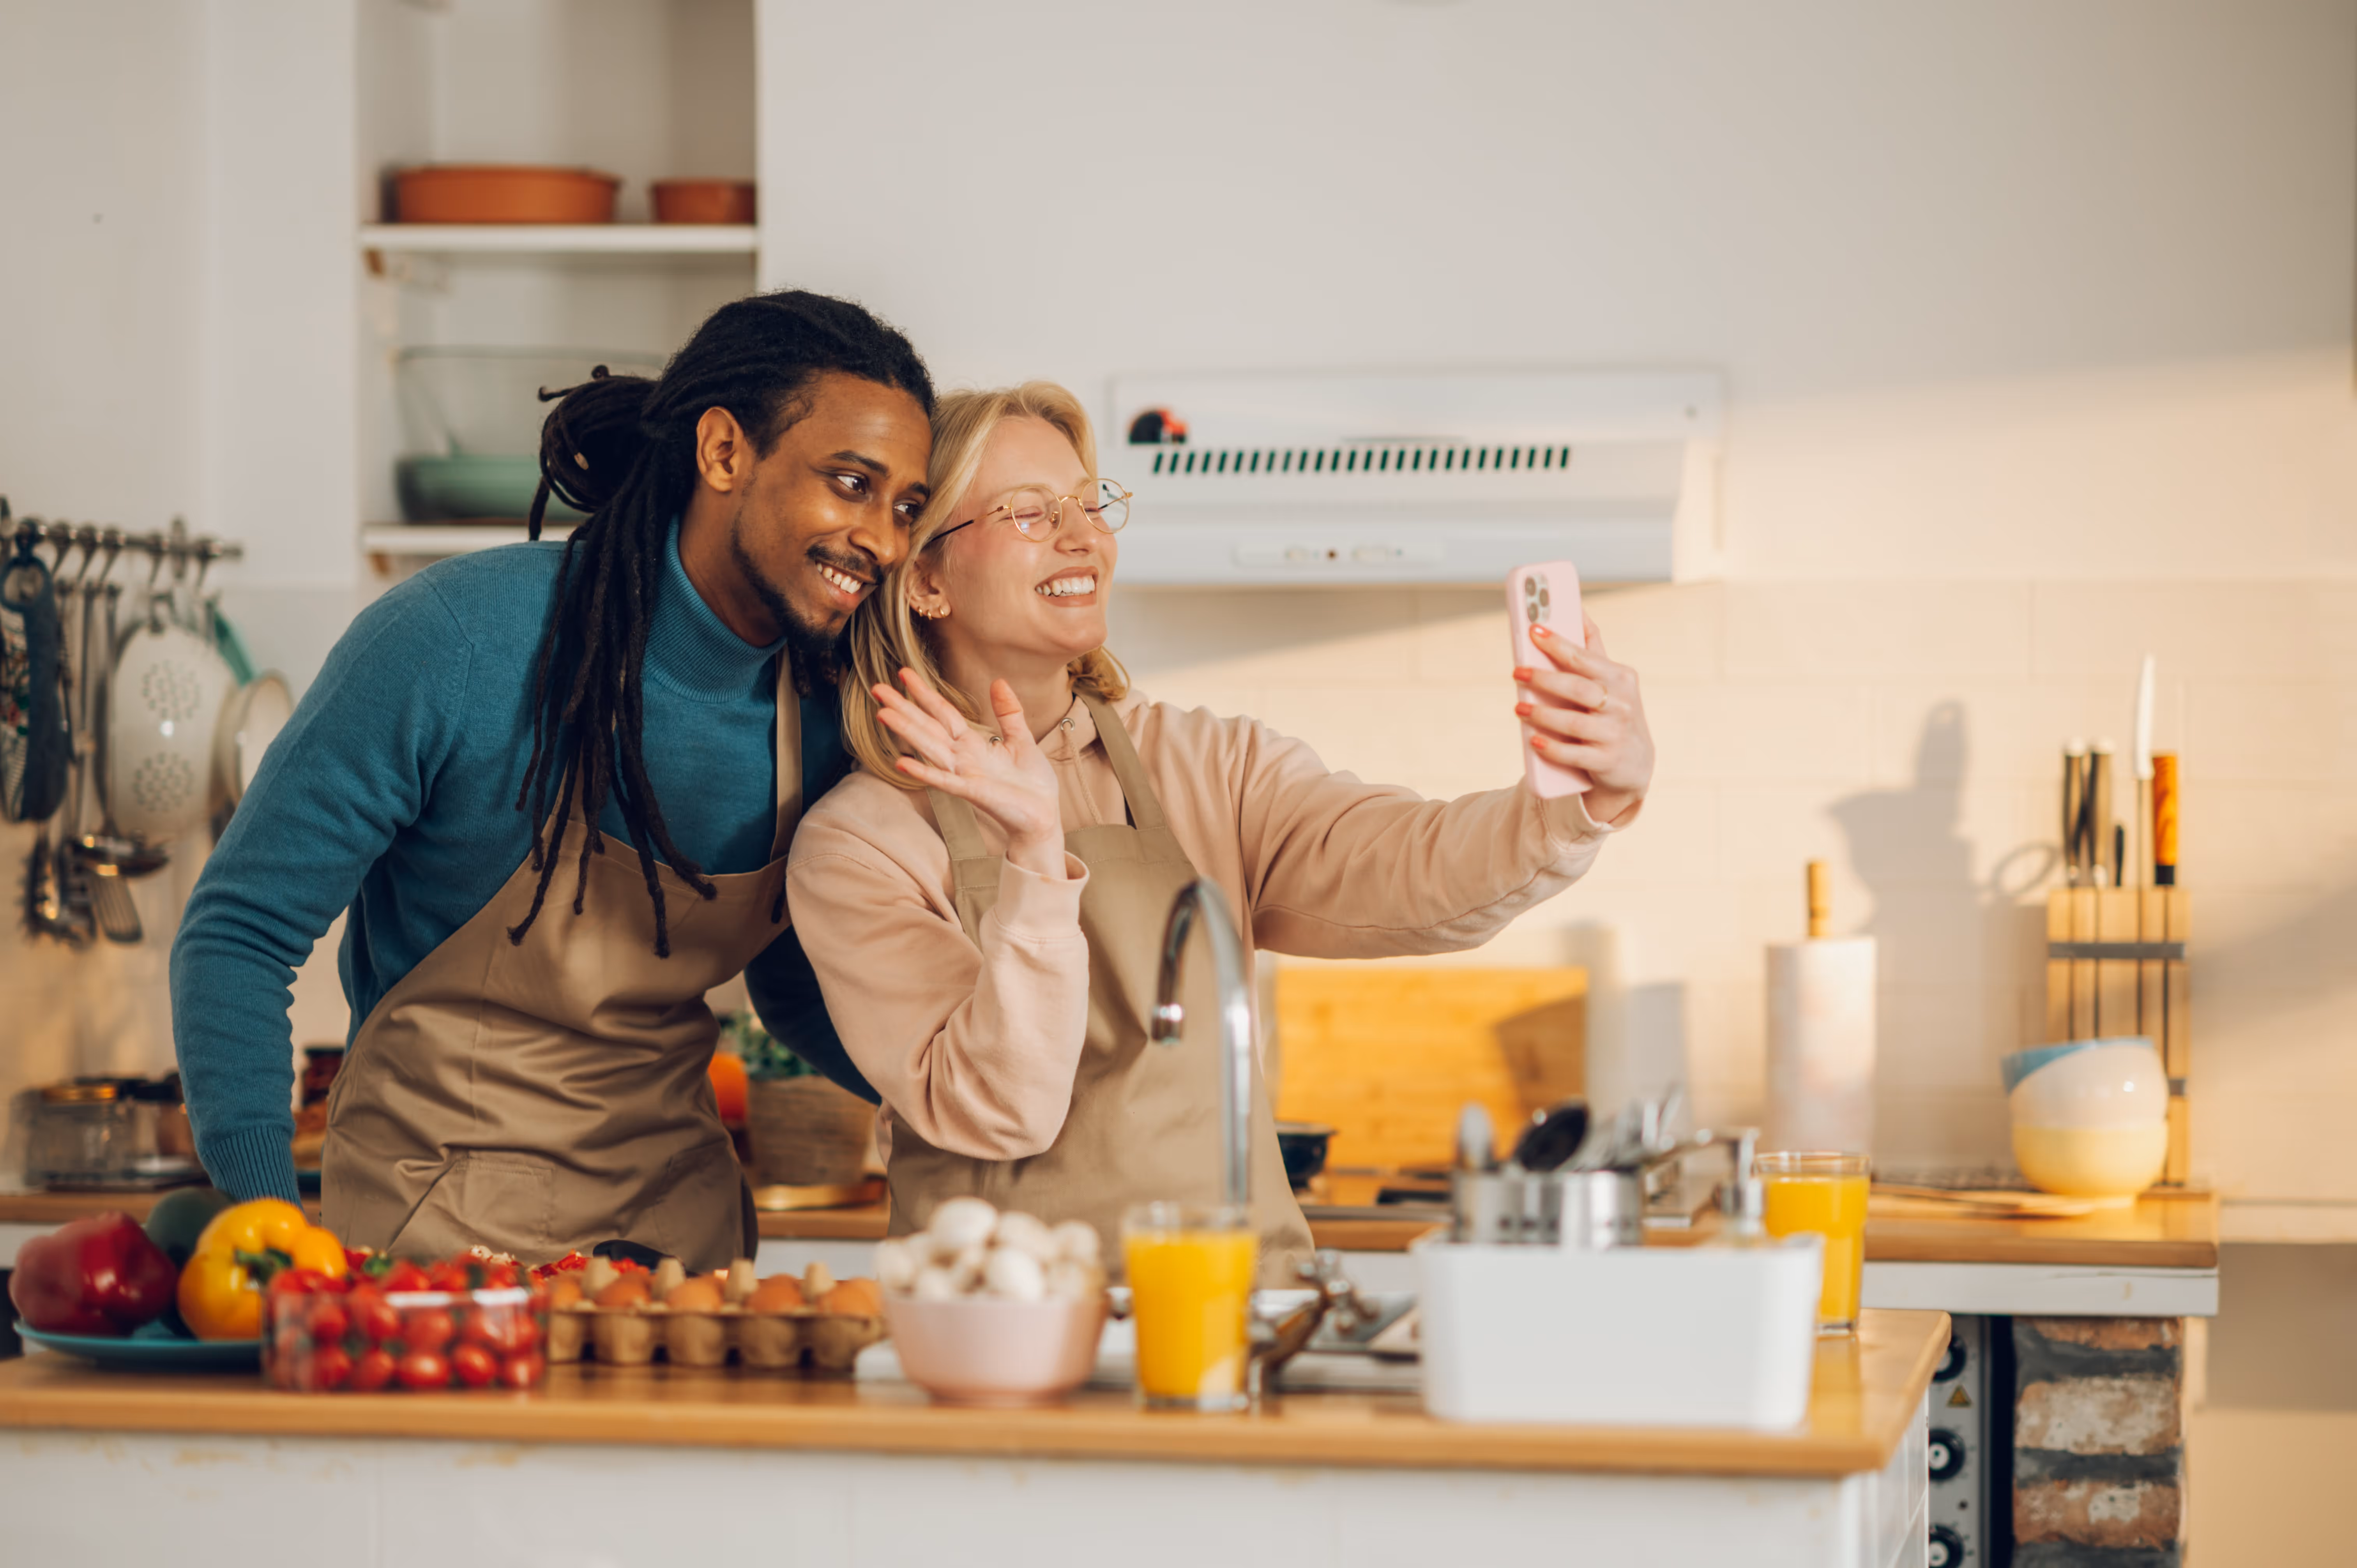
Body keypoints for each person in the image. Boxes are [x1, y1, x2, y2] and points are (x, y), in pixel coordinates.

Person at [785, 382, 1655, 1279]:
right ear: (926, 575)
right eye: (1030, 514)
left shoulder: (1208, 765)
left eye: (1091, 503)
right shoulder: (863, 843)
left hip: (1239, 1313)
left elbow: (1417, 867)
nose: (1085, 536)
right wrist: (1036, 859)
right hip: (1009, 1343)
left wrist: (1575, 797)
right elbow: (1003, 1109)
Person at [171, 290, 932, 1269]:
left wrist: (949, 1097)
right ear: (724, 453)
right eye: (851, 482)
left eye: (906, 505)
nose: (885, 537)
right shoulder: (457, 644)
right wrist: (266, 1230)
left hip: (680, 1251)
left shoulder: (827, 708)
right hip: (432, 1245)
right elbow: (239, 934)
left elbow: (794, 984)